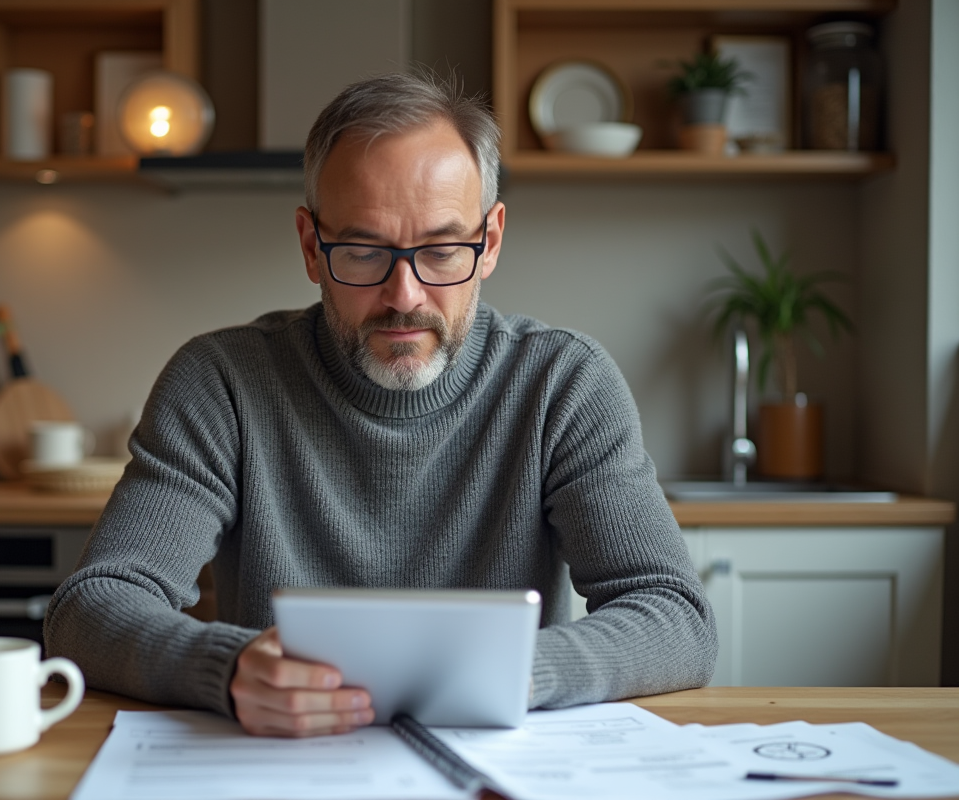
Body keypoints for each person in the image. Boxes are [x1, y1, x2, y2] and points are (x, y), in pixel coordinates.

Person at [44, 72, 716, 738]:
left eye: (442, 249)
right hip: (283, 764)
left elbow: (676, 618)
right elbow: (89, 609)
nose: (404, 295)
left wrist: (517, 671)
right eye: (364, 251)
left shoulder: (563, 384)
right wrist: (223, 667)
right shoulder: (221, 383)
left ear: (490, 242)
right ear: (311, 245)